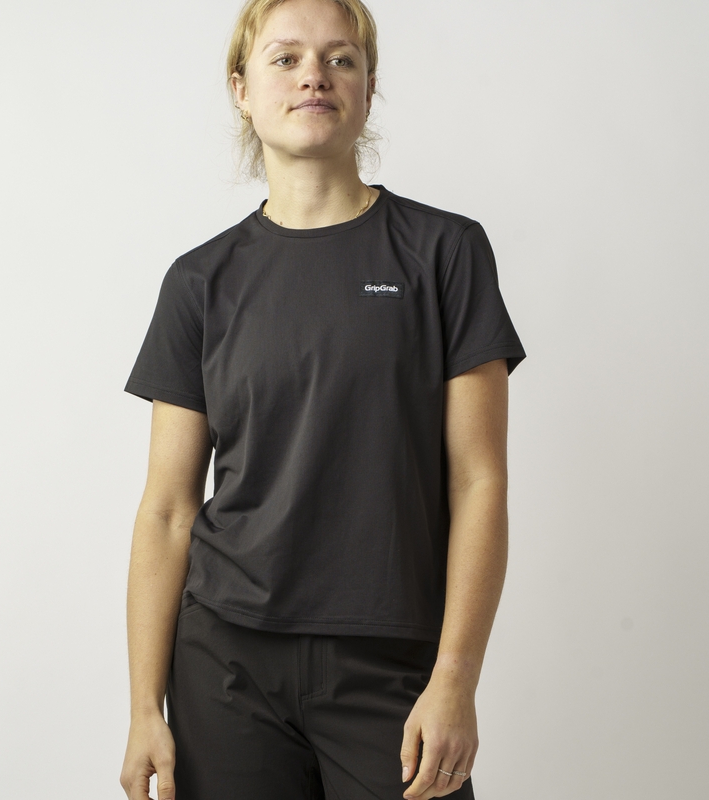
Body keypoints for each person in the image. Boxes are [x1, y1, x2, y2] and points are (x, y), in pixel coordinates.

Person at [119, 0, 526, 798]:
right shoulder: (199, 282)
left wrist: (455, 678)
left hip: (392, 660)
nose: (314, 75)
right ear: (242, 89)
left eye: (341, 59)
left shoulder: (444, 253)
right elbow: (167, 510)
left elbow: (479, 481)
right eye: (286, 58)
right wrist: (143, 708)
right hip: (224, 665)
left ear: (368, 89)